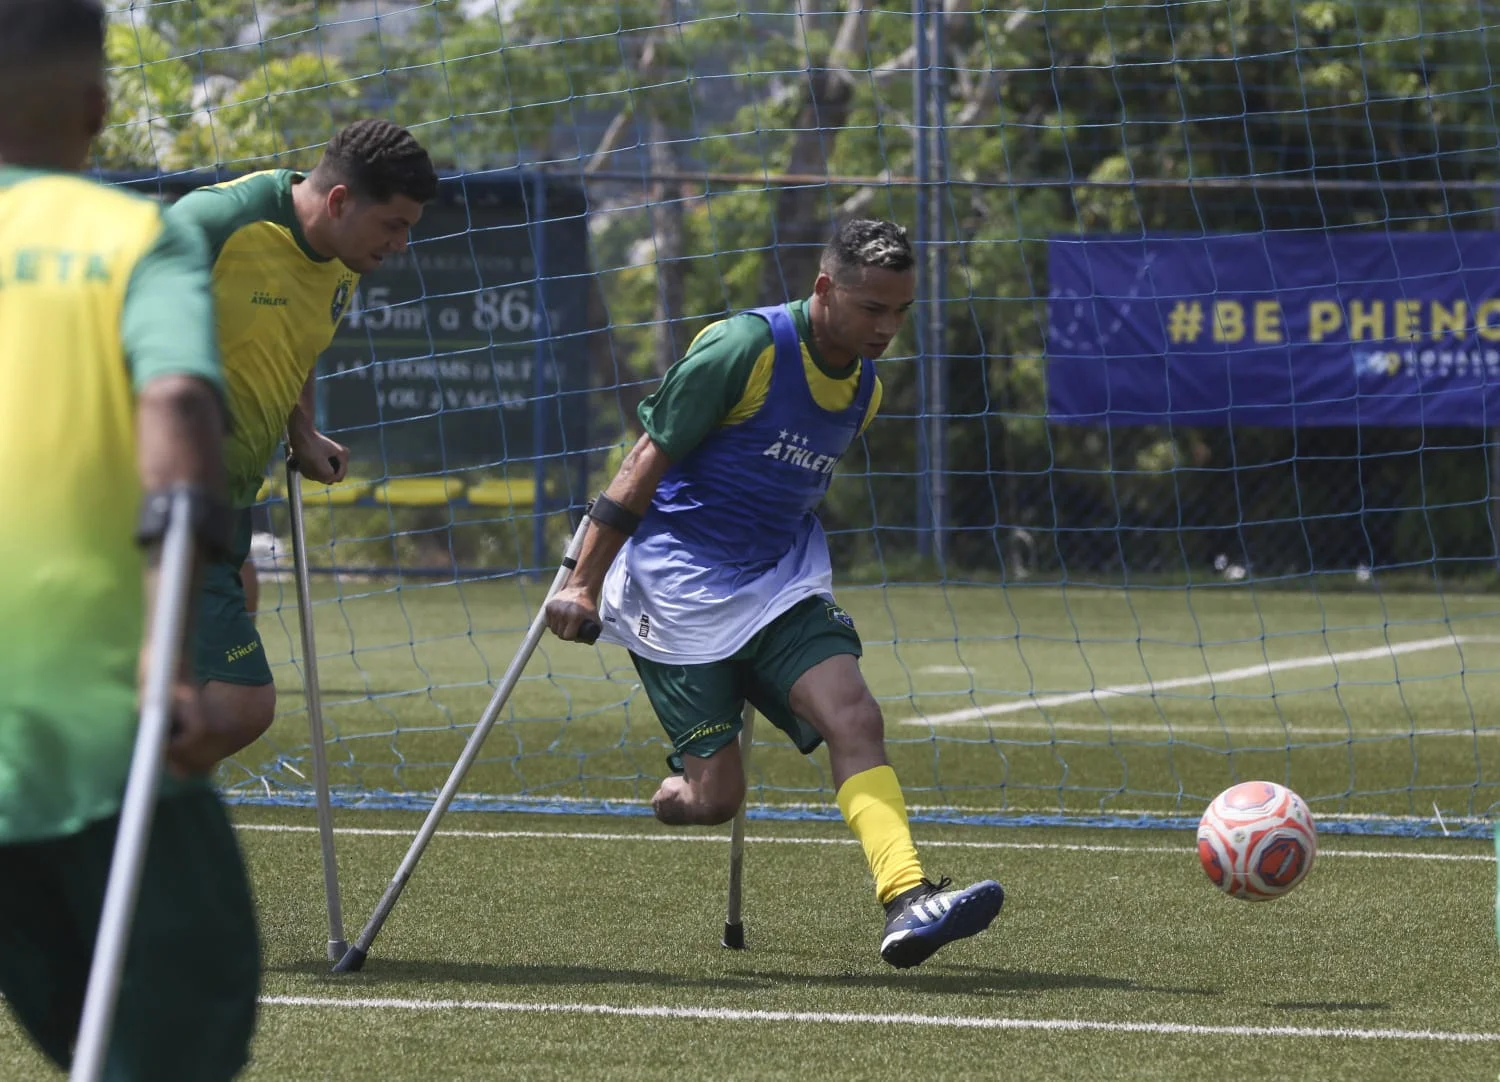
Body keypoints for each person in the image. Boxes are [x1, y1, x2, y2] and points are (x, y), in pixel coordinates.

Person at [545, 218, 1005, 968]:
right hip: (675, 587)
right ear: (824, 288)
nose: (886, 328)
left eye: (900, 312)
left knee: (856, 714)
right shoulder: (742, 349)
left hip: (777, 581)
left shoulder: (866, 387)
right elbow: (644, 459)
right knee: (716, 799)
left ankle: (907, 897)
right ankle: (679, 791)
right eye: (871, 309)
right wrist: (584, 583)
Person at [0, 0, 259, 1076]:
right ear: (100, 108)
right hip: (89, 724)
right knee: (183, 1013)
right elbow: (177, 410)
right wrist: (169, 651)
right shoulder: (129, 237)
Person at [166, 119, 439, 760]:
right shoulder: (217, 222)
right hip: (150, 495)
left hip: (227, 499)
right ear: (340, 200)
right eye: (393, 225)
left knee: (223, 630)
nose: (401, 245)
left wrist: (302, 431)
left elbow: (295, 342)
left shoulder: (344, 257)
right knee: (237, 702)